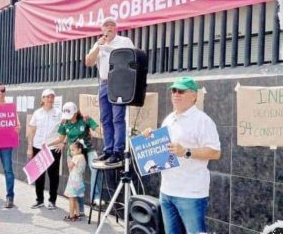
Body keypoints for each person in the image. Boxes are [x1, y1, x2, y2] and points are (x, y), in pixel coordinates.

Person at [143, 76, 221, 234]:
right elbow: (164, 149)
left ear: (193, 96)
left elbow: (215, 152)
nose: (175, 94)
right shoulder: (169, 119)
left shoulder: (203, 121)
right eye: (173, 90)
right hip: (167, 191)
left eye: (181, 91)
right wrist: (150, 137)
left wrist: (186, 151)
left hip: (190, 193)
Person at [85, 16, 135, 165]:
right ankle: (108, 150)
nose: (109, 28)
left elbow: (132, 58)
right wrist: (98, 46)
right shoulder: (98, 43)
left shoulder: (124, 41)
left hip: (119, 82)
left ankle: (118, 151)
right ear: (102, 29)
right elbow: (88, 62)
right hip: (104, 83)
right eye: (106, 25)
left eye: (112, 25)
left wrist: (111, 49)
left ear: (116, 28)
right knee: (105, 119)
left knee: (117, 118)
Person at [46, 102, 103, 216]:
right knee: (76, 180)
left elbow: (98, 129)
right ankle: (80, 210)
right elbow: (61, 138)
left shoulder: (85, 120)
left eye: (70, 115)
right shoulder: (64, 123)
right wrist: (47, 144)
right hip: (73, 153)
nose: (69, 118)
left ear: (76, 112)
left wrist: (105, 129)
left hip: (88, 149)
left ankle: (95, 198)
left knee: (96, 169)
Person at [28, 89, 62, 210]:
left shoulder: (58, 113)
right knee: (39, 175)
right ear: (42, 99)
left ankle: (52, 200)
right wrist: (29, 147)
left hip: (52, 148)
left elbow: (65, 128)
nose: (49, 99)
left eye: (52, 97)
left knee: (53, 176)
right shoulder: (37, 113)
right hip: (38, 147)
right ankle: (39, 200)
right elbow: (31, 130)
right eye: (47, 97)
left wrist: (62, 142)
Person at [63, 141, 87, 221]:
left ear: (79, 150)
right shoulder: (83, 157)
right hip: (79, 180)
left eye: (73, 150)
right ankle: (78, 214)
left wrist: (69, 159)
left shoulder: (76, 157)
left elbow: (70, 166)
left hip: (73, 180)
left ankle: (71, 216)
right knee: (75, 197)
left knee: (71, 198)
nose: (71, 152)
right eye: (70, 150)